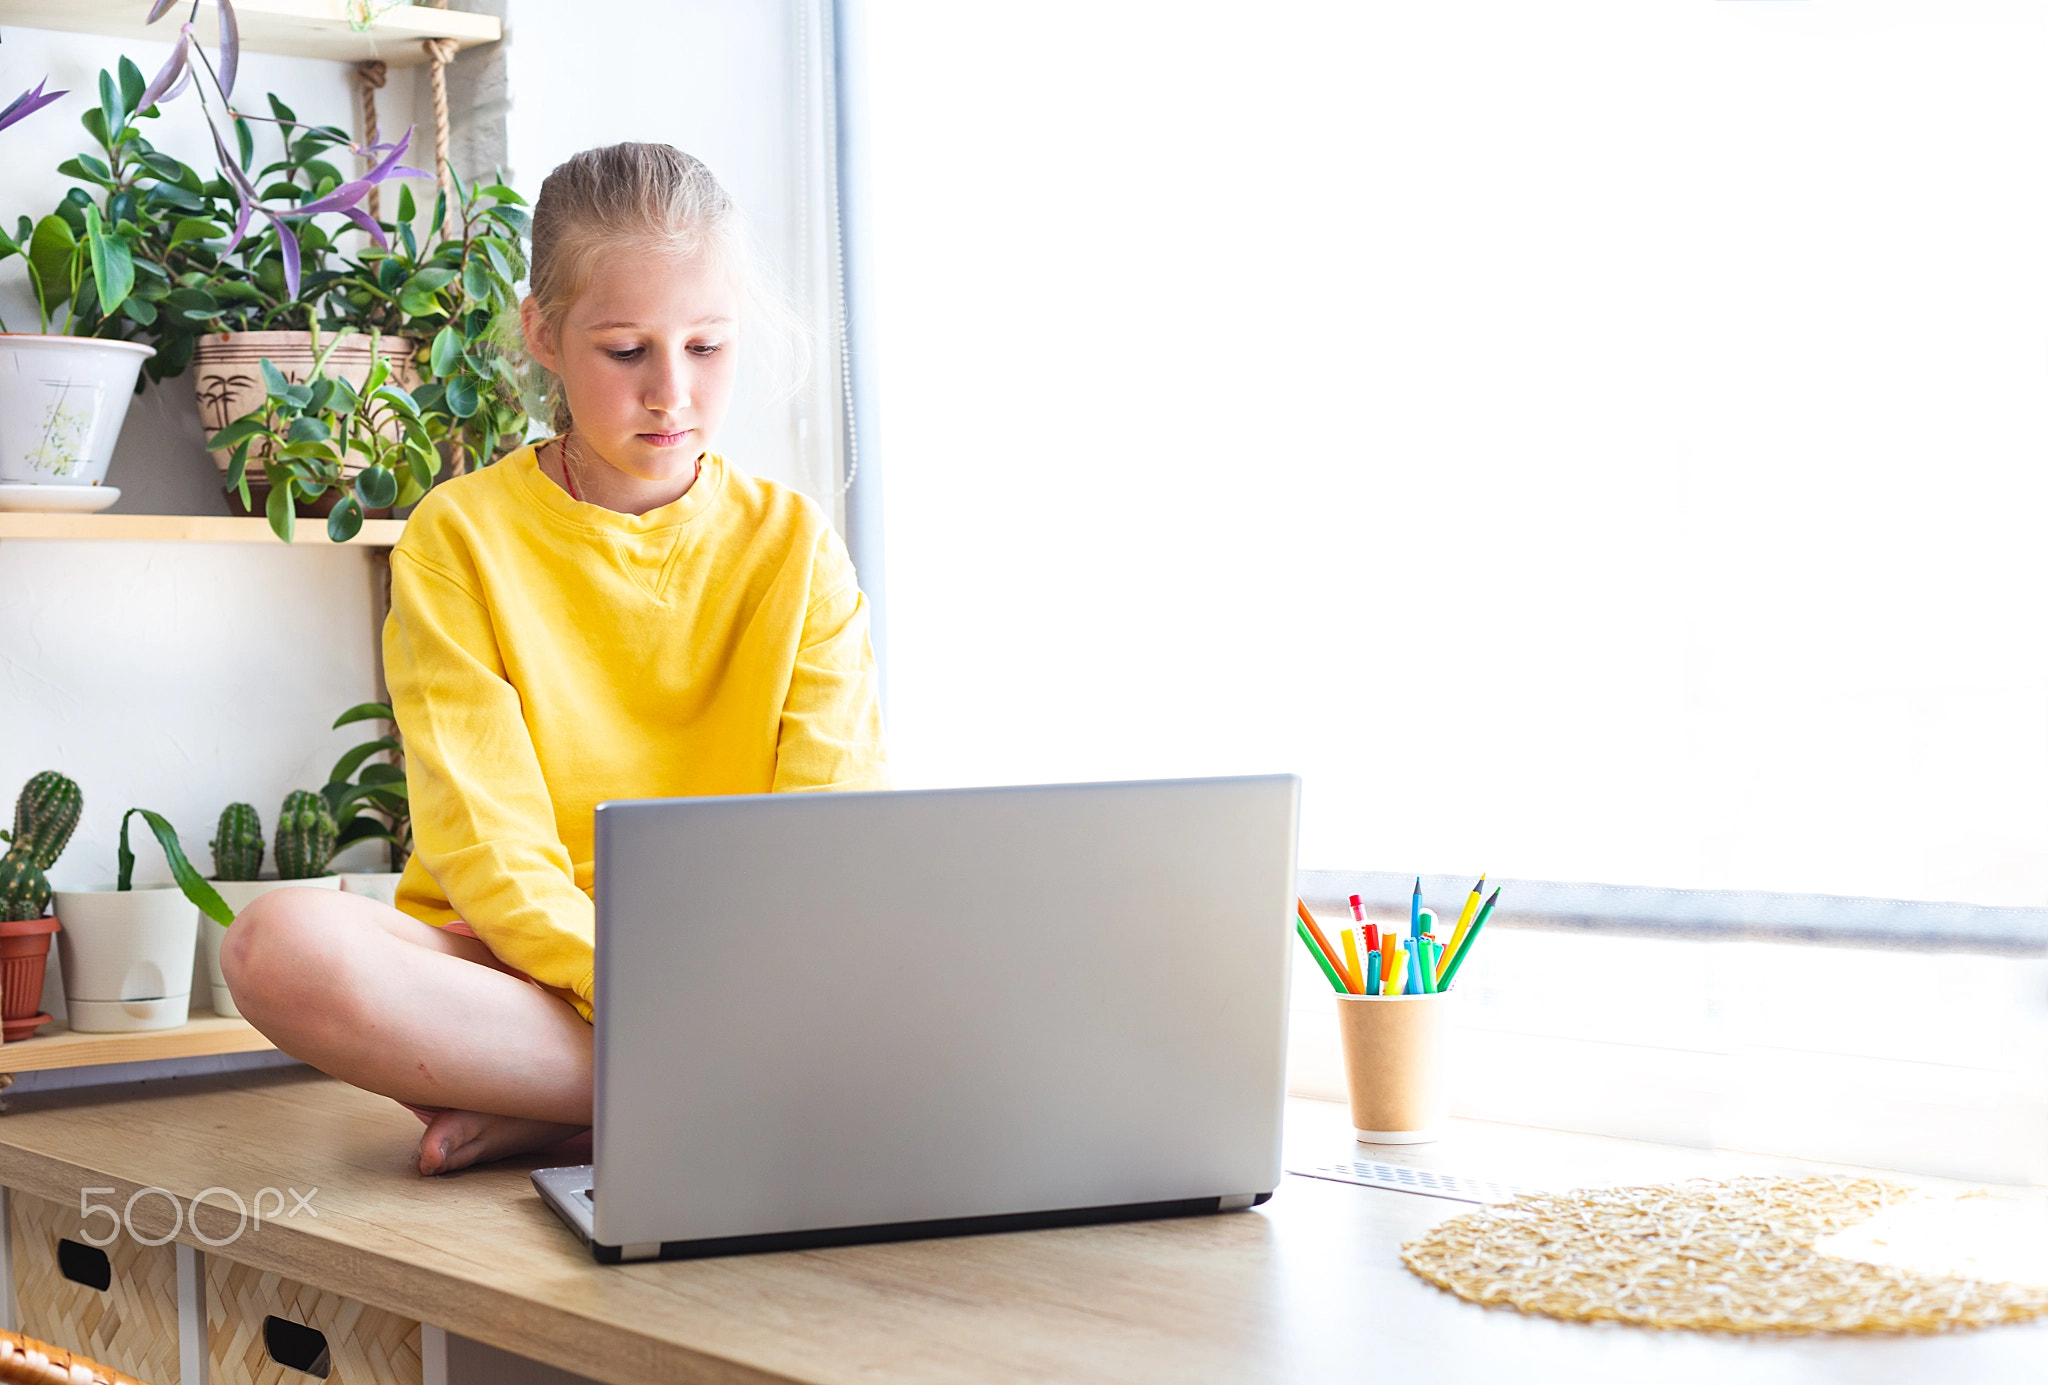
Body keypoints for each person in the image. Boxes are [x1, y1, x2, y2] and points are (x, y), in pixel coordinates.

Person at [221, 143, 887, 1176]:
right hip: (516, 966)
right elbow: (486, 843)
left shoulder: (796, 544)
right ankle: (692, 1086)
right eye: (626, 351)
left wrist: (735, 987)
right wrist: (632, 990)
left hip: (732, 979)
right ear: (541, 331)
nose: (673, 393)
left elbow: (822, 840)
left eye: (706, 346)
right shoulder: (459, 537)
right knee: (275, 946)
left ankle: (562, 1101)